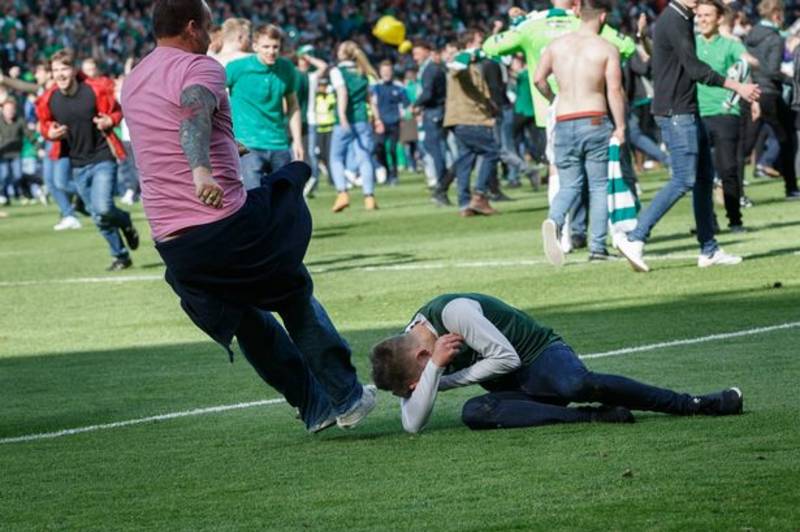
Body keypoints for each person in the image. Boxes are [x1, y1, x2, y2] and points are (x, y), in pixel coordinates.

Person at [121, 0, 376, 434]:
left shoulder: (134, 80)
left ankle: (313, 405)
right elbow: (193, 111)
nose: (212, 36)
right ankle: (345, 395)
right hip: (221, 224)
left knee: (243, 316)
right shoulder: (199, 67)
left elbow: (168, 131)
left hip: (174, 244)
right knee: (292, 278)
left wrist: (224, 145)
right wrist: (201, 169)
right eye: (208, 27)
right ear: (191, 28)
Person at [370, 293, 744, 433]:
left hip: (540, 357)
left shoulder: (454, 313)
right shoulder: (410, 351)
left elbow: (507, 358)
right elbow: (412, 423)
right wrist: (433, 373)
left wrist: (441, 378)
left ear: (422, 356)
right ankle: (592, 418)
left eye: (421, 376)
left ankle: (692, 404)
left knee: (576, 385)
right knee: (476, 413)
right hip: (515, 388)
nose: (423, 385)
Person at [616, 0, 760, 273]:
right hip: (676, 112)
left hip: (686, 110)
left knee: (704, 178)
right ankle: (635, 238)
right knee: (684, 179)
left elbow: (664, 61)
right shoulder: (674, 19)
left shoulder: (680, 17)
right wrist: (736, 86)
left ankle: (709, 249)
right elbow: (694, 68)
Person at [535, 0, 627, 265]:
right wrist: (620, 126)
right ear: (603, 16)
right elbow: (614, 90)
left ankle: (554, 220)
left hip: (564, 119)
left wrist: (554, 98)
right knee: (598, 186)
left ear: (578, 13)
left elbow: (539, 79)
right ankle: (597, 247)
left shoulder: (556, 46)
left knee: (569, 185)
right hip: (594, 118)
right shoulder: (606, 48)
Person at [36, 49, 139, 271]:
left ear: (74, 70)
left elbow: (117, 111)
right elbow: (44, 125)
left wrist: (109, 120)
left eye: (64, 69)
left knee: (103, 208)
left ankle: (124, 220)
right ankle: (121, 256)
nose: (60, 74)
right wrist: (50, 133)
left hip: (103, 157)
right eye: (55, 70)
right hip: (76, 163)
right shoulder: (49, 99)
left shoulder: (95, 90)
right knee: (97, 216)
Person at [696, 0, 759, 232]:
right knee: (700, 172)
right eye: (699, 15)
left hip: (725, 113)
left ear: (719, 19)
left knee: (729, 169)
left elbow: (748, 65)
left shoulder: (730, 44)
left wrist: (753, 97)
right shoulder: (691, 44)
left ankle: (735, 220)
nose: (702, 20)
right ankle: (707, 221)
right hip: (697, 113)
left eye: (707, 15)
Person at [226, 24, 303, 190]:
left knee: (284, 199)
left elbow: (293, 105)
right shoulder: (236, 68)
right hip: (248, 144)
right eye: (266, 47)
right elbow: (215, 96)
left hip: (279, 144)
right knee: (254, 198)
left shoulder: (287, 68)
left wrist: (297, 141)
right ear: (255, 46)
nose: (271, 51)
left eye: (275, 47)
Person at [744, 0, 800, 200]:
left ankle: (732, 187)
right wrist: (792, 79)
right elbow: (772, 70)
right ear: (777, 14)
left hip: (750, 91)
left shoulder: (751, 34)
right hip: (769, 93)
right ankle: (791, 187)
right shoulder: (775, 38)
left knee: (745, 144)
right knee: (787, 139)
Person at [443, 29, 500, 217]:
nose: (482, 45)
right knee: (492, 152)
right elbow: (456, 70)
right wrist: (470, 54)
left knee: (465, 160)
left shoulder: (473, 64)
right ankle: (480, 195)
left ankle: (464, 204)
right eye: (479, 42)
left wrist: (490, 105)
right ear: (469, 44)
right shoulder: (461, 61)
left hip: (464, 119)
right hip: (469, 118)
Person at [328, 40, 382, 212]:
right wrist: (377, 119)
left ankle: (342, 193)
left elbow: (342, 93)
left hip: (345, 120)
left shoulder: (337, 71)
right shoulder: (362, 71)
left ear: (343, 53)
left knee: (336, 158)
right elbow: (371, 99)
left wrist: (342, 115)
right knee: (364, 157)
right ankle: (369, 197)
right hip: (363, 119)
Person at [412, 40, 451, 206]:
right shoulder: (432, 68)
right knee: (437, 149)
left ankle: (441, 186)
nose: (414, 57)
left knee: (436, 151)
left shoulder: (430, 69)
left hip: (434, 112)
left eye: (417, 53)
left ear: (427, 51)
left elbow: (428, 93)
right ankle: (442, 184)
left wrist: (416, 105)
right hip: (437, 111)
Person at [372, 60, 409, 186]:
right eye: (384, 71)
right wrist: (377, 120)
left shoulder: (398, 87)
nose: (386, 74)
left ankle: (394, 174)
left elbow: (405, 104)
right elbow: (373, 103)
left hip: (394, 122)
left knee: (392, 149)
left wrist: (403, 118)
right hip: (381, 123)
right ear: (380, 72)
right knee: (379, 148)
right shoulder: (376, 87)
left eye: (388, 71)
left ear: (392, 72)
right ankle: (386, 171)